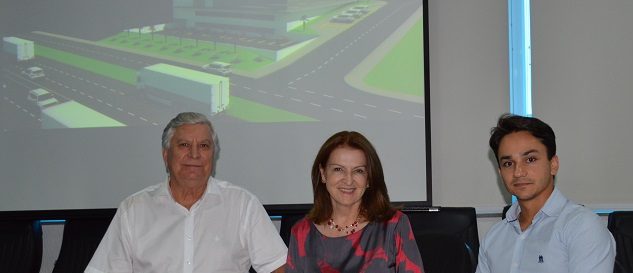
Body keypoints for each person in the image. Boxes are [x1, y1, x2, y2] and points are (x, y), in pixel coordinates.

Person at [85, 112, 287, 273]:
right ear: (166, 155)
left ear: (213, 156)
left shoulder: (243, 204)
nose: (195, 154)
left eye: (204, 146)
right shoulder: (134, 209)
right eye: (184, 145)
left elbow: (280, 267)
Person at [476, 114, 616, 273]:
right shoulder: (494, 237)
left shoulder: (582, 227)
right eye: (508, 163)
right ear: (500, 173)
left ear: (553, 165)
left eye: (530, 159)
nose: (518, 172)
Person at [285, 131, 424, 273]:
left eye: (358, 171)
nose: (348, 180)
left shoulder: (393, 226)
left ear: (369, 178)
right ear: (323, 174)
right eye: (338, 169)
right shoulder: (301, 233)